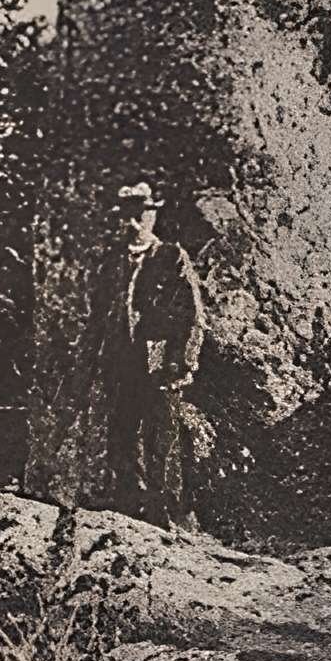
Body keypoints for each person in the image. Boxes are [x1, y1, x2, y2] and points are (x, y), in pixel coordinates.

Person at [106, 180, 205, 527]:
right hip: (123, 360)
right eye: (127, 216)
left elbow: (192, 315)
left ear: (152, 216)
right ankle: (129, 506)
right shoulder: (114, 261)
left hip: (160, 361)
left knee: (160, 435)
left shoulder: (170, 257)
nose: (133, 223)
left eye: (140, 215)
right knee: (121, 430)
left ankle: (163, 511)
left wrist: (182, 362)